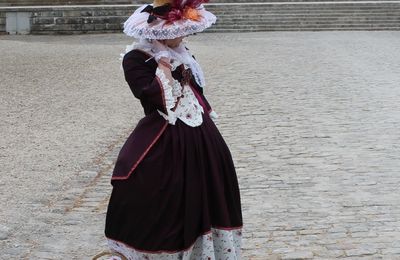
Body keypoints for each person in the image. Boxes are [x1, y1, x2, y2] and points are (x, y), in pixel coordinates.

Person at [103, 0, 243, 259]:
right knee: (157, 190)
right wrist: (164, 67)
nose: (184, 34)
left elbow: (196, 92)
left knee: (210, 187)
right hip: (165, 134)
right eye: (178, 29)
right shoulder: (135, 59)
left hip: (201, 132)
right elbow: (155, 98)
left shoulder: (183, 53)